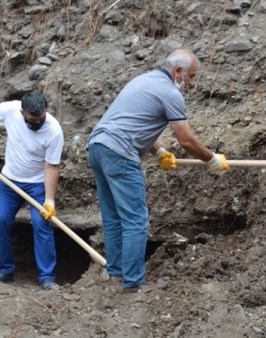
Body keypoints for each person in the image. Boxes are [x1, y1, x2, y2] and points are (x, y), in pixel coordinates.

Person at [87, 48, 230, 293]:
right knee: (135, 220)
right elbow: (185, 140)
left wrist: (160, 151)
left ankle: (116, 275)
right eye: (192, 77)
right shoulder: (170, 92)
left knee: (113, 217)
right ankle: (133, 282)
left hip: (98, 147)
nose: (192, 83)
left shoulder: (143, 80)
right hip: (120, 152)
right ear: (178, 71)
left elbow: (134, 121)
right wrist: (211, 159)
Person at [0, 91, 64, 291]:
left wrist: (49, 201)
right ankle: (5, 271)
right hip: (10, 180)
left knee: (42, 224)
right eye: (32, 119)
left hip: (38, 184)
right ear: (22, 113)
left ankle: (47, 277)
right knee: (1, 221)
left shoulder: (54, 131)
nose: (38, 122)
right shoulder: (10, 110)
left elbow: (51, 167)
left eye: (41, 118)